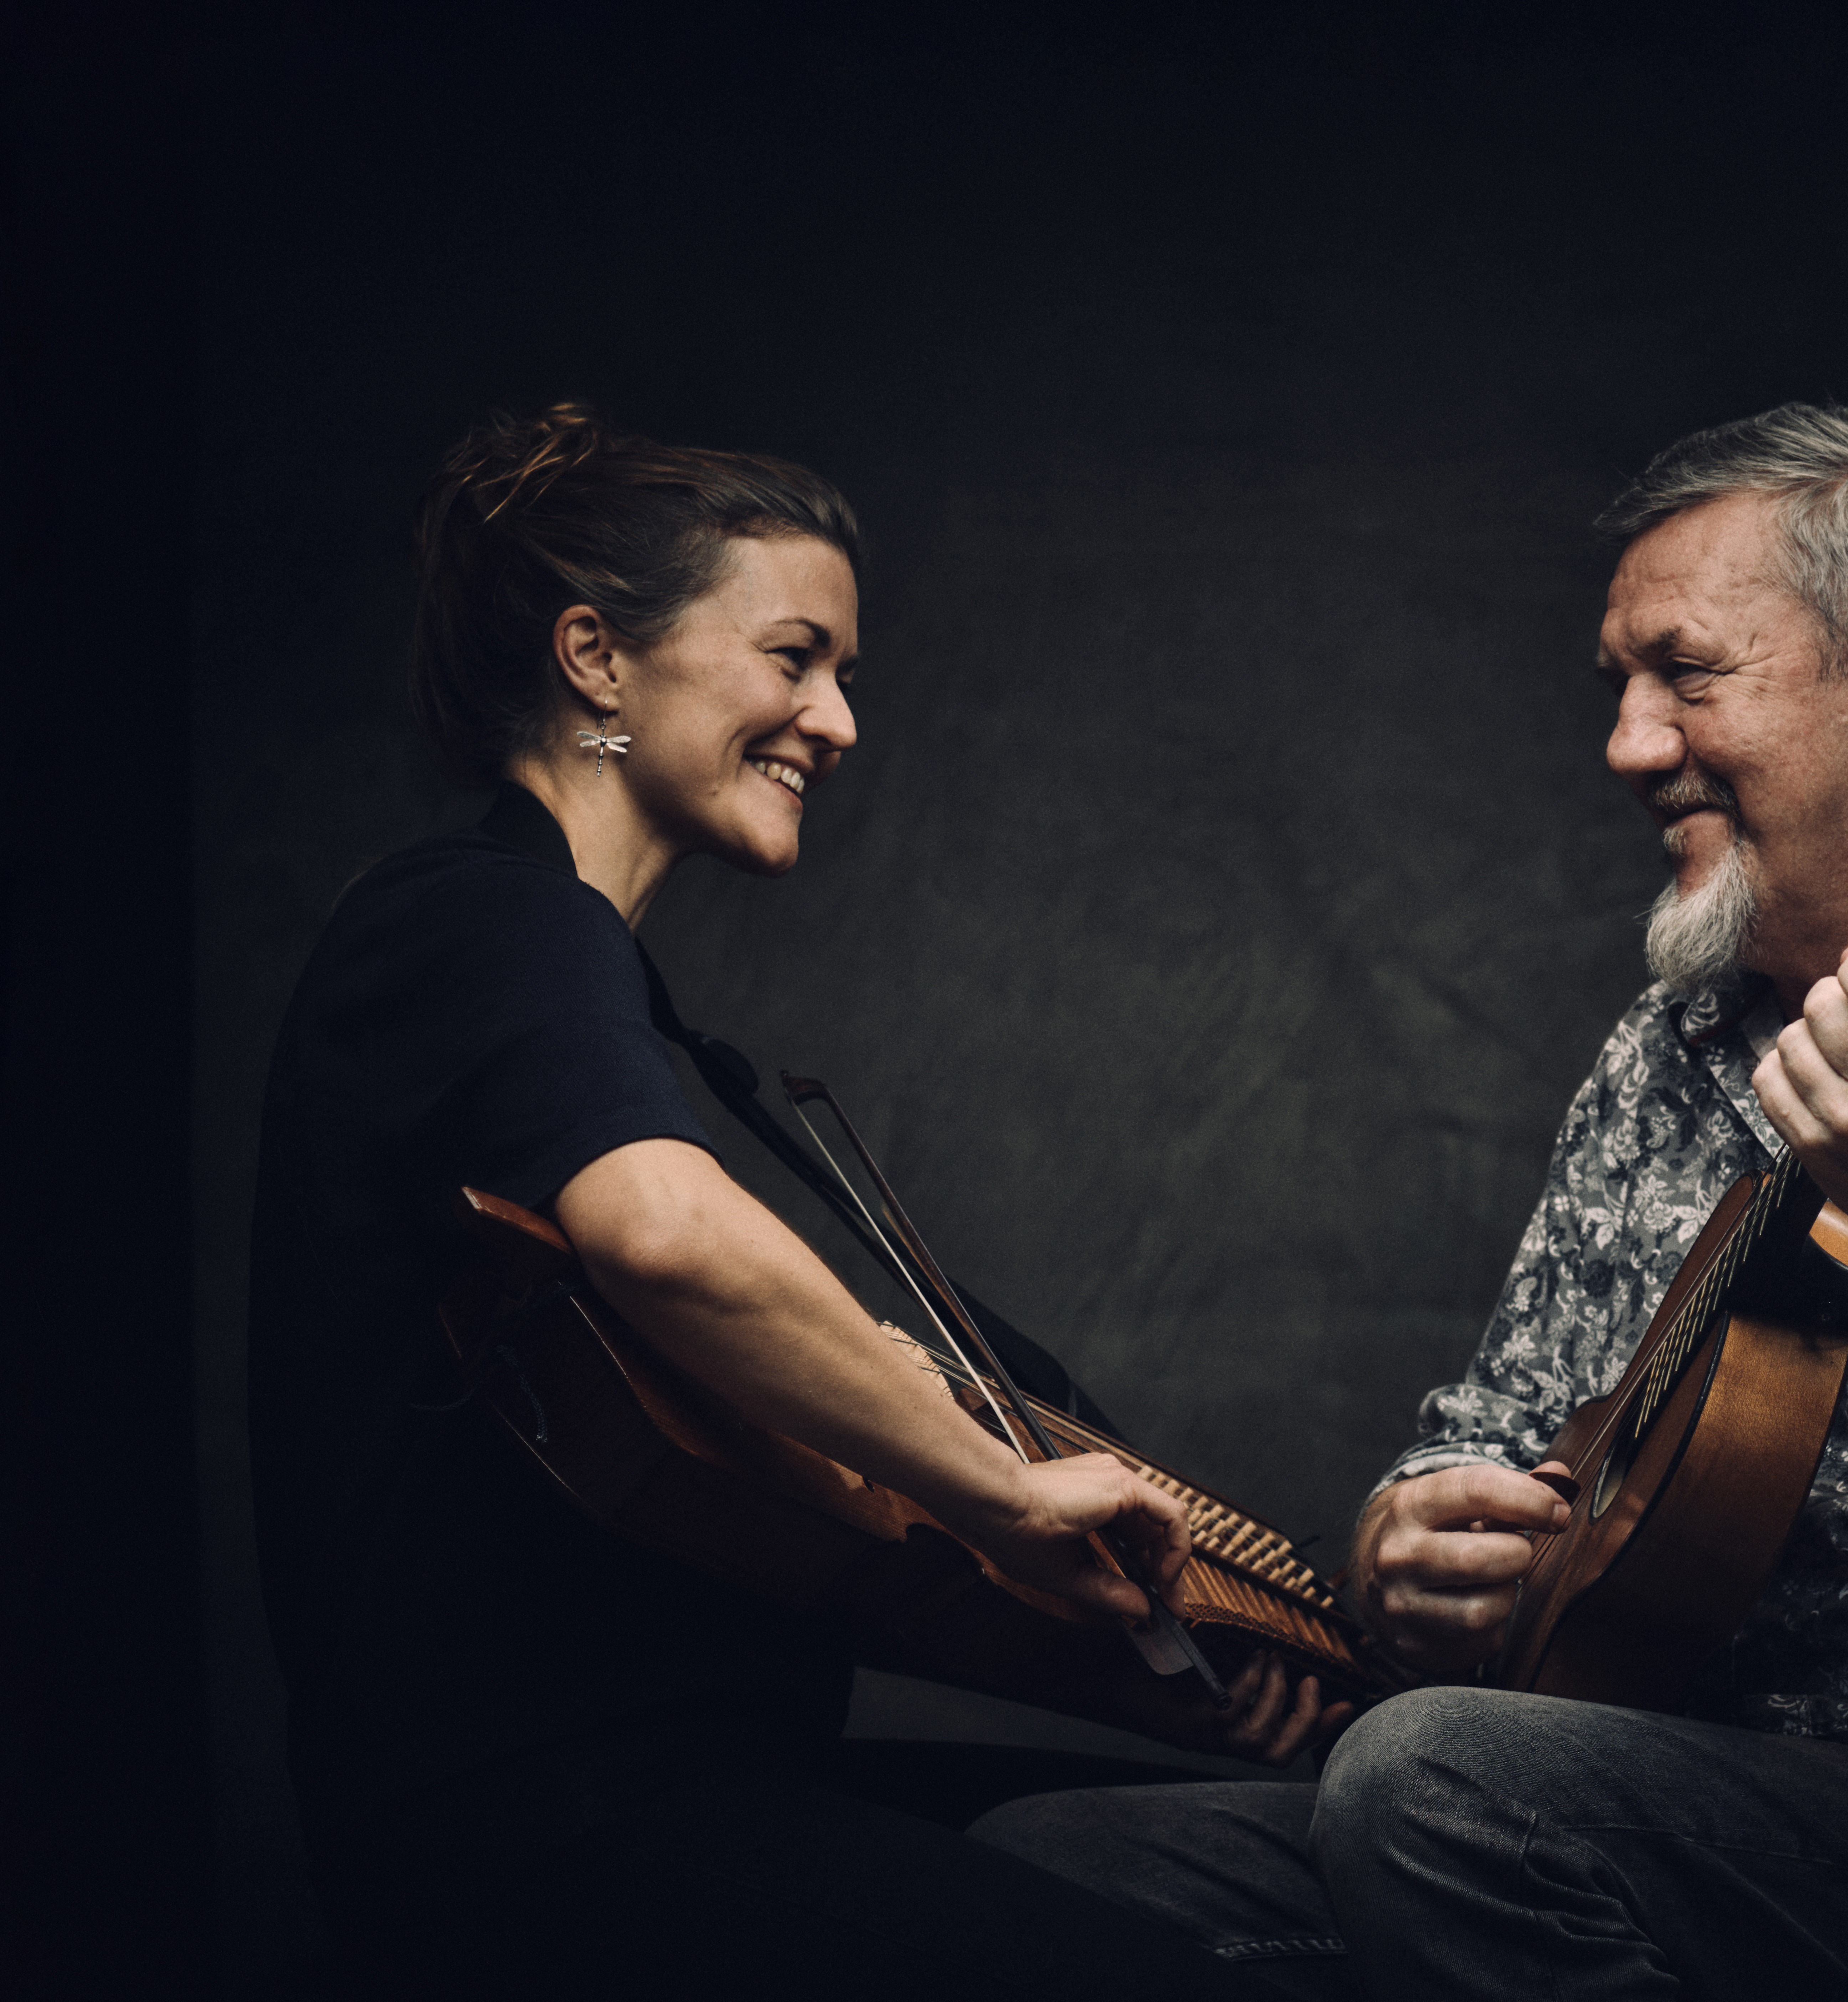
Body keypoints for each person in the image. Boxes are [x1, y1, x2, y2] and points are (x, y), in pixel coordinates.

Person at [974, 404, 1848, 2000]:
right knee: (1062, 1874)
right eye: (1620, 690)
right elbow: (1501, 1415)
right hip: (1629, 1799)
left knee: (1433, 1786)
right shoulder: (1681, 1037)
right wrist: (1409, 1535)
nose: (1629, 744)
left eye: (1688, 674)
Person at [245, 405, 1325, 1997]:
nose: (838, 719)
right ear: (597, 658)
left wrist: (1144, 1674)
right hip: (563, 1835)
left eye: (844, 674)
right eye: (795, 656)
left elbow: (740, 1515)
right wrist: (1008, 1496)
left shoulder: (565, 980)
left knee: (1258, 1886)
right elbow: (667, 1235)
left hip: (661, 1795)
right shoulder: (484, 920)